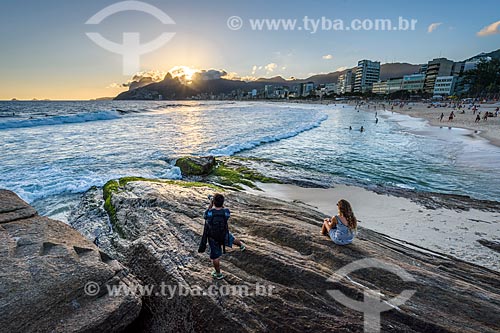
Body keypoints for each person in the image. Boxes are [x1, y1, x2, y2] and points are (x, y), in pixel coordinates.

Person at [198, 193, 245, 279]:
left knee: (215, 256)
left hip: (213, 237)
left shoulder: (210, 213)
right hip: (224, 233)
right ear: (222, 203)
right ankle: (241, 246)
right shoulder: (226, 212)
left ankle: (218, 274)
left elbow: (205, 216)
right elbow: (225, 212)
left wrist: (210, 205)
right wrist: (220, 205)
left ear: (213, 202)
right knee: (232, 239)